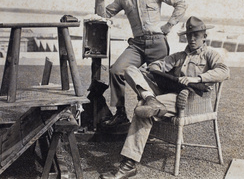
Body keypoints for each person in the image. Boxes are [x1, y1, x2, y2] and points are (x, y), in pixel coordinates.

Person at [99, 16, 230, 179]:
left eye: (196, 35)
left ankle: (128, 165)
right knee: (131, 70)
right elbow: (157, 65)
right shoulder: (179, 56)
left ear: (205, 36)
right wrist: (159, 72)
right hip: (169, 94)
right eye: (189, 35)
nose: (192, 38)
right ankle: (150, 98)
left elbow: (224, 71)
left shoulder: (210, 55)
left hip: (189, 99)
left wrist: (196, 78)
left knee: (142, 109)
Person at [102, 0, 187, 127]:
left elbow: (181, 3)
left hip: (157, 43)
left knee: (161, 79)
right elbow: (104, 14)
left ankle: (164, 121)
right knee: (116, 70)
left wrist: (169, 25)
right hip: (137, 45)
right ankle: (120, 114)